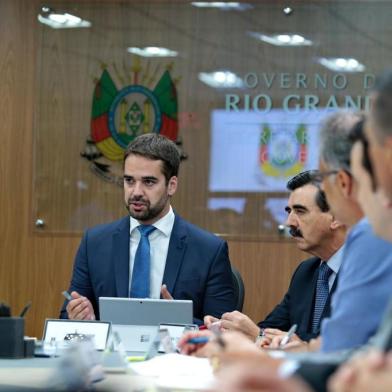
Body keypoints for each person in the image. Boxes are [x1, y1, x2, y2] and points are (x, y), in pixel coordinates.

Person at [60, 133, 235, 323]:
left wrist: (180, 322)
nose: (136, 192)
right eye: (129, 181)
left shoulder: (209, 251)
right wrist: (84, 319)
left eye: (148, 182)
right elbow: (67, 318)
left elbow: (223, 331)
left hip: (176, 352)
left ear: (171, 186)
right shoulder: (94, 244)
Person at [202, 171, 346, 347]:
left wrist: (259, 336)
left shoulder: (366, 273)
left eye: (300, 211)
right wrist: (229, 328)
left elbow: (345, 346)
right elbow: (269, 328)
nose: (289, 223)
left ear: (336, 218)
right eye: (289, 211)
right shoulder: (306, 272)